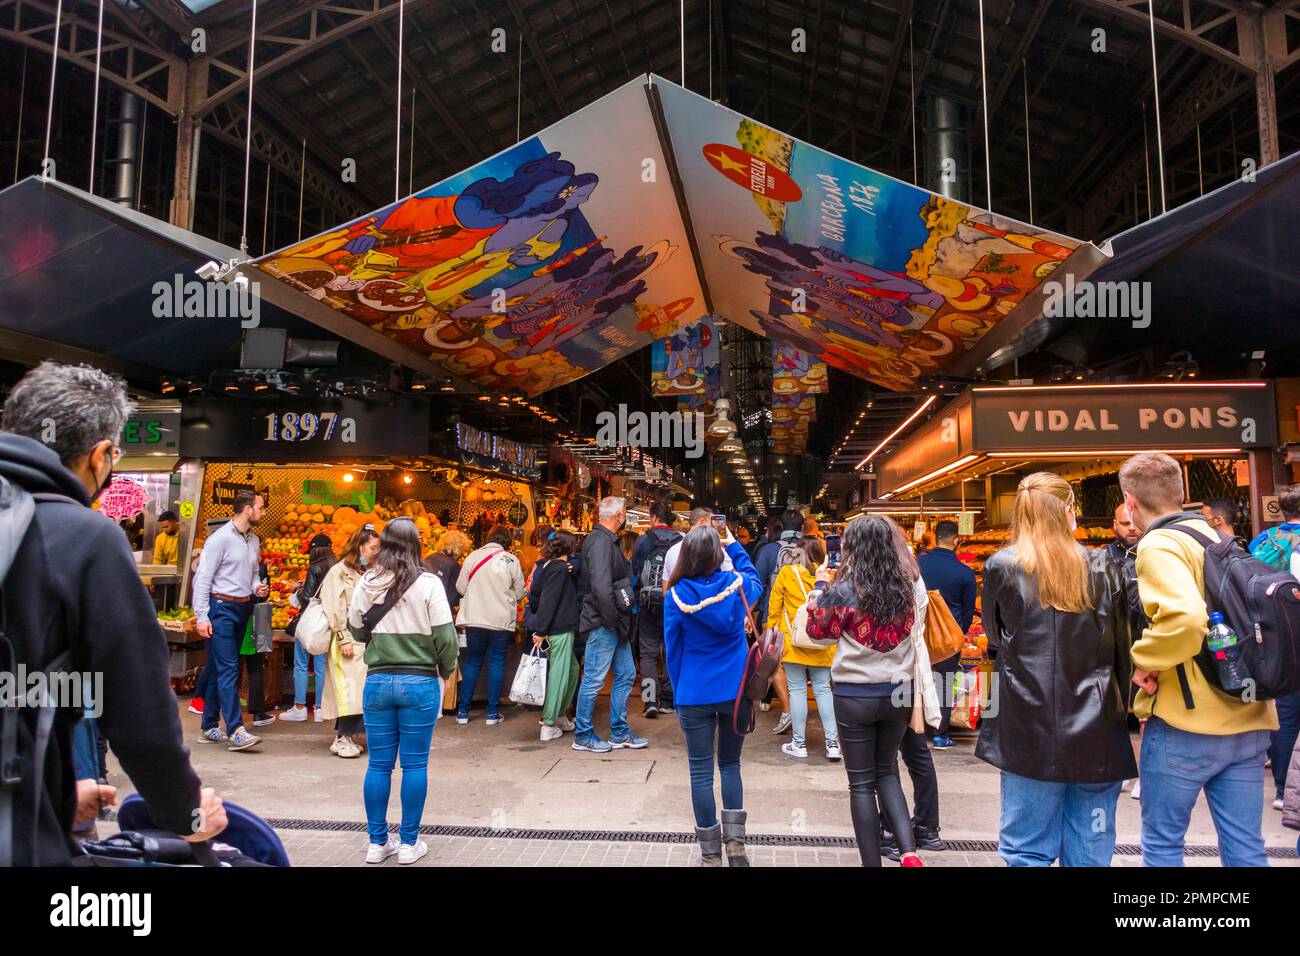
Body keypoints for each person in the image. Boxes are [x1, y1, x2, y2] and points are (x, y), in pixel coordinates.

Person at [0, 361, 226, 865]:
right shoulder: (84, 535)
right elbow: (138, 713)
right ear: (100, 456)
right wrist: (186, 814)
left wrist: (56, 785)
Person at [1120, 452, 1278, 867]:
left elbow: (1186, 619)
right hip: (1250, 717)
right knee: (1246, 846)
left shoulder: (1158, 544)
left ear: (1129, 500)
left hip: (1187, 722)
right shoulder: (1214, 536)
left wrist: (1144, 661)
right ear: (1182, 492)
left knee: (1163, 844)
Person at [975, 473, 1136, 866]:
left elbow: (996, 637)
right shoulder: (1105, 566)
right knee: (1090, 847)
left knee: (1026, 847)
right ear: (1068, 511)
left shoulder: (1002, 566)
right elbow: (1123, 651)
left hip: (1025, 721)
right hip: (1097, 724)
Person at [805, 514, 926, 868]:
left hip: (854, 694)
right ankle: (908, 852)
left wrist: (817, 590)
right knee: (888, 771)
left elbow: (818, 632)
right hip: (899, 692)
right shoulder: (908, 585)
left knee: (861, 785)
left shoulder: (844, 590)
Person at [350, 518, 458, 865]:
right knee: (415, 765)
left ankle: (377, 843)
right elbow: (446, 638)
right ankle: (409, 843)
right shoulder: (429, 583)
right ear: (416, 544)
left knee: (379, 766)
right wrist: (444, 671)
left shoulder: (367, 581)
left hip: (379, 682)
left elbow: (355, 629)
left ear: (383, 544)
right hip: (419, 682)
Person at [664, 523, 764, 866]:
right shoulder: (737, 588)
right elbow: (755, 577)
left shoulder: (676, 596)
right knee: (731, 764)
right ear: (718, 556)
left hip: (694, 692)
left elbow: (672, 651)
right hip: (735, 691)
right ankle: (736, 845)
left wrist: (679, 695)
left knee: (699, 772)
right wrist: (734, 545)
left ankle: (710, 855)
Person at [191, 488, 269, 752]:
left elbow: (254, 573)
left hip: (242, 608)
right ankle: (236, 729)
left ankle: (209, 726)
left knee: (217, 667)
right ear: (247, 509)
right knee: (229, 668)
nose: (262, 511)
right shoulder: (220, 539)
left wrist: (257, 586)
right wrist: (202, 615)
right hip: (221, 607)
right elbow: (202, 578)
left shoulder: (253, 540)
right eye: (260, 507)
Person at [573, 496, 644, 753]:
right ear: (619, 515)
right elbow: (601, 588)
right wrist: (612, 620)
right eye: (624, 512)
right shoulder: (601, 543)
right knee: (593, 679)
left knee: (626, 674)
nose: (625, 516)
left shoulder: (604, 541)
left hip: (613, 622)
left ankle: (619, 731)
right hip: (605, 622)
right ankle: (583, 734)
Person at [767, 534, 840, 761]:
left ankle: (798, 744)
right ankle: (832, 744)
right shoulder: (830, 576)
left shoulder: (787, 574)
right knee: (823, 690)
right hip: (822, 644)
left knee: (797, 691)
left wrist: (772, 634)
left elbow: (774, 608)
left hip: (794, 643)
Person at [316, 525, 381, 758]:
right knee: (349, 689)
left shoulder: (367, 571)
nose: (377, 551)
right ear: (360, 546)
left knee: (358, 689)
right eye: (373, 547)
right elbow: (334, 607)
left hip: (364, 640)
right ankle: (342, 737)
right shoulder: (339, 571)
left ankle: (347, 735)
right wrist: (342, 637)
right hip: (347, 640)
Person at [454, 525, 525, 725]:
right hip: (500, 621)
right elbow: (520, 593)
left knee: (473, 662)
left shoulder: (472, 557)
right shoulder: (511, 560)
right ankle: (492, 713)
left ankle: (463, 712)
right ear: (507, 542)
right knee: (496, 663)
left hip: (475, 619)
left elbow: (460, 587)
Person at [917, 519, 976, 750]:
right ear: (957, 540)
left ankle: (915, 729)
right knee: (943, 682)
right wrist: (959, 633)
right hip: (948, 638)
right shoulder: (964, 572)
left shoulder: (917, 565)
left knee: (916, 681)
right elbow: (968, 611)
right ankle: (940, 734)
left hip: (918, 633)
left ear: (934, 536)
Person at [629, 498, 682, 718]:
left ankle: (650, 700)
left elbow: (635, 569)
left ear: (653, 517)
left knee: (648, 653)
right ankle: (668, 701)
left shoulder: (643, 541)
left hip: (648, 603)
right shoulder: (681, 540)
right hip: (673, 602)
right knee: (671, 650)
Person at [754, 509, 803, 731]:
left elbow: (756, 584)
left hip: (773, 616)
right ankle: (802, 706)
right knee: (806, 662)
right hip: (807, 617)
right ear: (802, 528)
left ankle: (788, 710)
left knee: (774, 663)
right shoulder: (812, 548)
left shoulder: (768, 551)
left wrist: (749, 613)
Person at [530, 530, 581, 741]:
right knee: (560, 674)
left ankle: (559, 715)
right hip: (559, 628)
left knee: (572, 669)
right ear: (570, 547)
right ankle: (549, 722)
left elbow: (538, 594)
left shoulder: (549, 566)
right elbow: (549, 600)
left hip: (556, 627)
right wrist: (541, 631)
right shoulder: (559, 569)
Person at [281, 534, 336, 724]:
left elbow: (307, 598)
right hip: (328, 621)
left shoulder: (315, 568)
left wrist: (296, 591)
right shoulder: (337, 567)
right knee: (322, 667)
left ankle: (300, 707)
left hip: (311, 622)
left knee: (302, 664)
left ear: (316, 550)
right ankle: (321, 708)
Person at [663, 507, 732, 584]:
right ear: (702, 522)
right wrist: (732, 545)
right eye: (711, 523)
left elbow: (665, 587)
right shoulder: (717, 549)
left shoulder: (672, 551)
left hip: (679, 595)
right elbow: (734, 580)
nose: (713, 527)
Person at [423, 528, 471, 614]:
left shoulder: (429, 557)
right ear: (458, 549)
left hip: (422, 605)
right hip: (438, 611)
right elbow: (452, 597)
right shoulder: (453, 566)